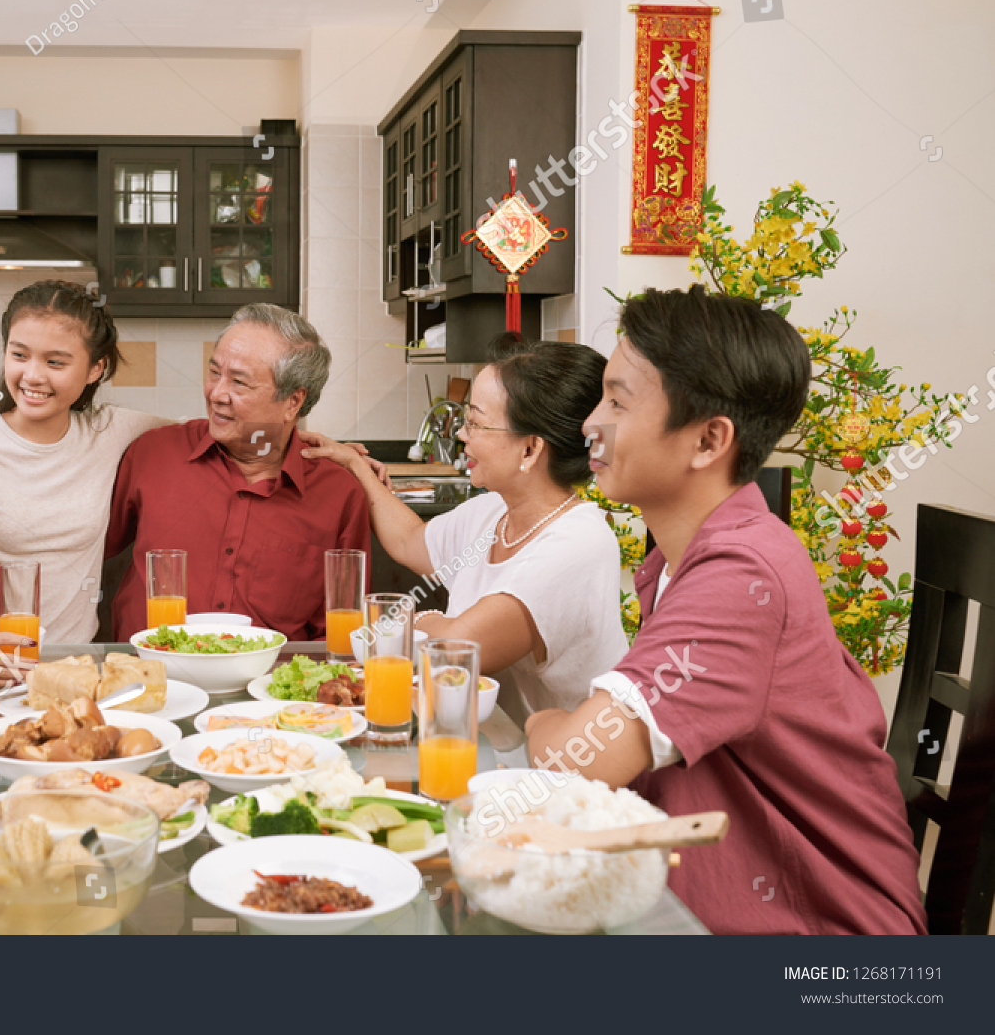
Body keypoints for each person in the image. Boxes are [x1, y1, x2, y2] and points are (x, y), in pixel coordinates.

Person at [523, 285, 926, 934]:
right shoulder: (698, 555)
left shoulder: (742, 577)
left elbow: (574, 758)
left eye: (619, 401)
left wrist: (542, 720)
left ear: (709, 439)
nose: (591, 423)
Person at [302, 335, 628, 720]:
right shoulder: (494, 511)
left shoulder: (579, 541)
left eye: (475, 423)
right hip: (492, 743)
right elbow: (411, 541)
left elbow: (460, 648)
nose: (461, 436)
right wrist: (356, 465)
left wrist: (416, 619)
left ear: (530, 449)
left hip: (564, 768)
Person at [0, 280, 175, 643]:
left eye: (55, 362)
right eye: (19, 355)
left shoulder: (110, 431)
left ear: (95, 369)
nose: (32, 376)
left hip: (75, 669)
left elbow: (203, 435)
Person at [105, 303, 372, 641]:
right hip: (152, 680)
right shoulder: (152, 454)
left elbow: (338, 636)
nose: (216, 394)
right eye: (215, 372)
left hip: (269, 689)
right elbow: (80, 551)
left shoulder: (339, 493)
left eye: (240, 383)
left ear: (293, 402)